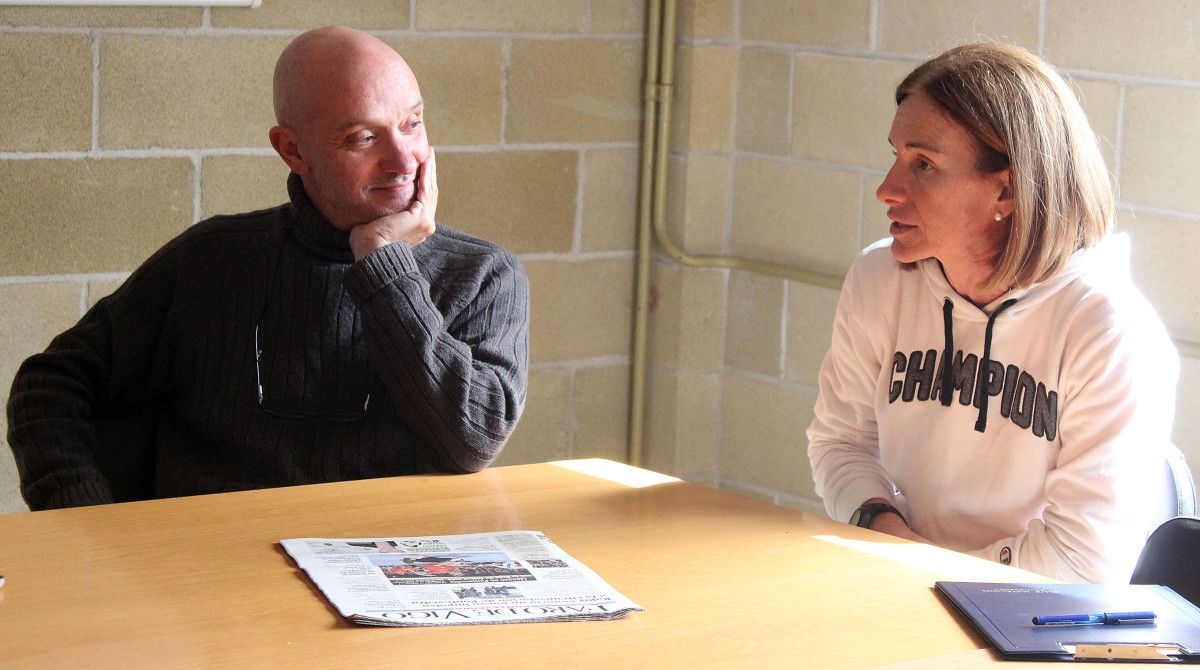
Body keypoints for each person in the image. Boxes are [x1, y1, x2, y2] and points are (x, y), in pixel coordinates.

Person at [7, 26, 530, 511]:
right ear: (292, 150)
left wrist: (383, 263)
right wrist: (84, 520)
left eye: (412, 124)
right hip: (208, 572)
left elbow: (470, 442)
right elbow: (50, 385)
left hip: (392, 572)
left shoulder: (483, 275)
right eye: (363, 139)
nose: (403, 159)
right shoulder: (211, 259)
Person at [806, 42, 1179, 583]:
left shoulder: (1110, 331)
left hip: (1038, 621)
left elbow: (1083, 561)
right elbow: (840, 442)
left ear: (1006, 190)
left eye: (924, 165)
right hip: (902, 583)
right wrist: (884, 528)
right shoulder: (878, 280)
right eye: (895, 156)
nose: (888, 189)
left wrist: (925, 575)